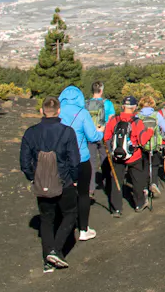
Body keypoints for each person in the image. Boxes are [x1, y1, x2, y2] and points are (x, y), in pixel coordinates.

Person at [19, 96, 79, 273]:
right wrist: (74, 178)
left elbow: (24, 161)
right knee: (70, 214)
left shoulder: (31, 132)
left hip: (42, 182)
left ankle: (48, 261)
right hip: (64, 181)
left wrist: (33, 177)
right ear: (59, 111)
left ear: (41, 111)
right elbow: (74, 160)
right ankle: (56, 250)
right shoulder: (67, 132)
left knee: (46, 219)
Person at [57, 84, 102, 242]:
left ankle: (63, 227)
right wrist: (100, 131)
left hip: (60, 160)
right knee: (83, 194)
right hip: (81, 158)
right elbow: (92, 136)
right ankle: (83, 229)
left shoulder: (58, 111)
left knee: (61, 193)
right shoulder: (82, 113)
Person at [102, 96, 153, 216]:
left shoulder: (114, 120)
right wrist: (150, 132)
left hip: (117, 156)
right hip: (134, 156)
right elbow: (142, 141)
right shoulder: (137, 122)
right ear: (134, 107)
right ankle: (139, 204)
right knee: (137, 180)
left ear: (123, 106)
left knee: (116, 181)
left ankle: (116, 209)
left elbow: (106, 137)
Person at [85, 82, 116, 198]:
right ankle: (108, 185)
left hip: (90, 135)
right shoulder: (108, 104)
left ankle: (90, 188)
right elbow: (111, 119)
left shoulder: (86, 103)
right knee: (106, 159)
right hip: (104, 135)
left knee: (91, 161)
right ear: (101, 90)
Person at [137, 96, 163, 197]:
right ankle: (153, 183)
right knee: (155, 166)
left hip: (142, 145)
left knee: (144, 166)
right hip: (154, 144)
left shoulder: (138, 116)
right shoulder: (157, 115)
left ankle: (144, 187)